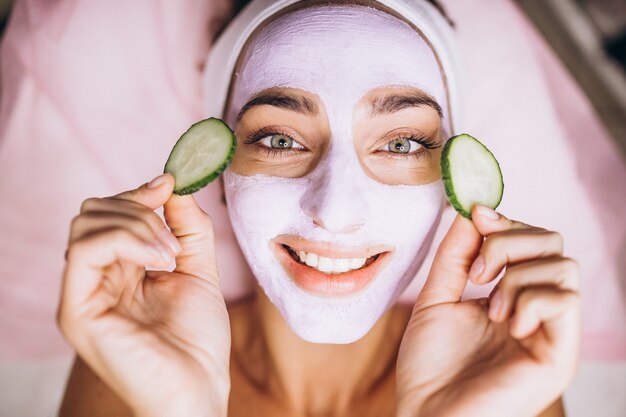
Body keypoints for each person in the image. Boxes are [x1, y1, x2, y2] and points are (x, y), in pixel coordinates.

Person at [56, 1, 581, 416]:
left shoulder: (496, 368)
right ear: (216, 173)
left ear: (451, 186)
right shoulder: (137, 353)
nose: (334, 211)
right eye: (279, 140)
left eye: (401, 144)